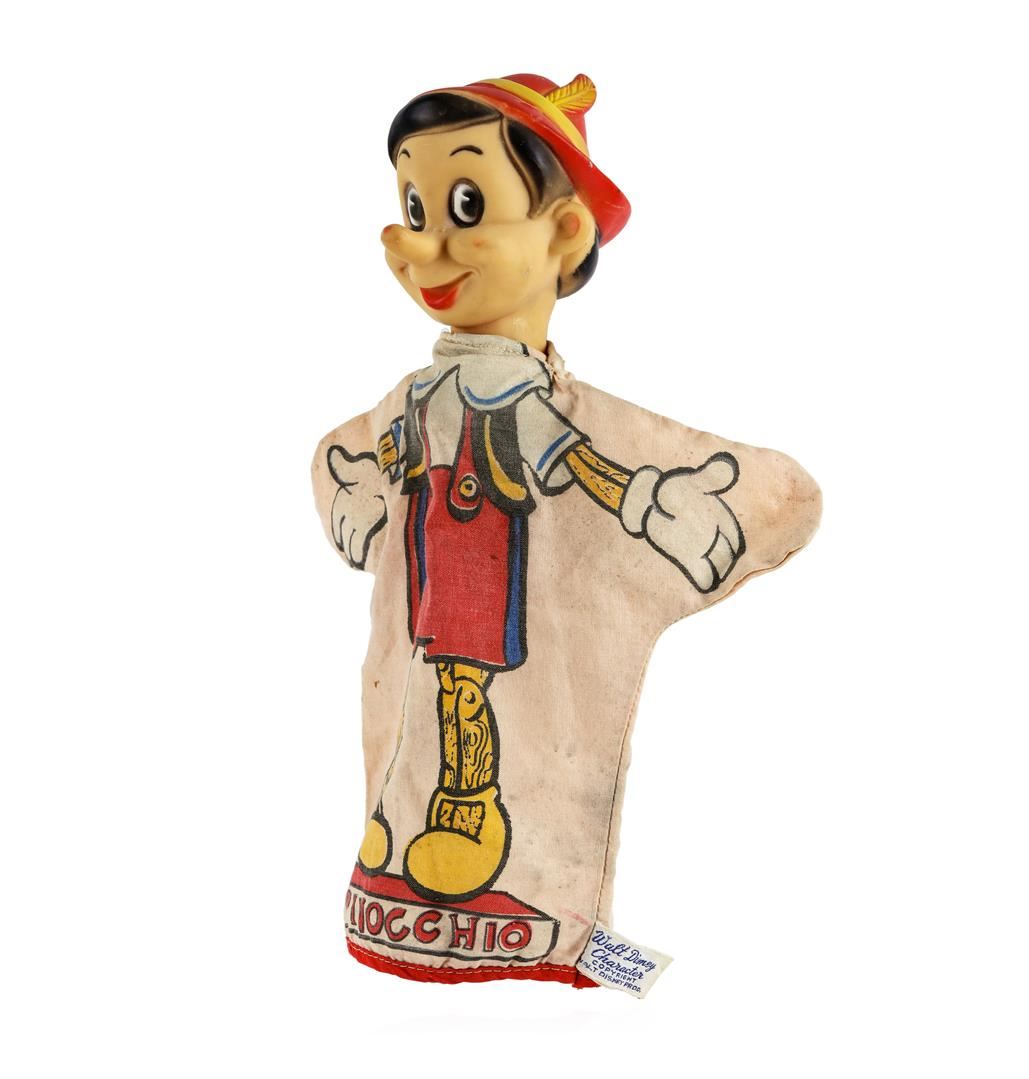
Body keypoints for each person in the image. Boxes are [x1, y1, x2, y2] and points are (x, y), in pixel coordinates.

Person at [314, 73, 821, 985]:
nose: (420, 243)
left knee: (465, 694)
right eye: (414, 206)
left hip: (481, 567)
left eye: (465, 207)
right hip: (429, 576)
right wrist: (354, 492)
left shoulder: (525, 405)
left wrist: (648, 505)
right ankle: (401, 827)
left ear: (563, 234)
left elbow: (589, 464)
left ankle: (470, 818)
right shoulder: (415, 397)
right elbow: (358, 457)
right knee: (418, 693)